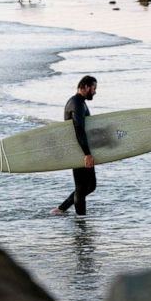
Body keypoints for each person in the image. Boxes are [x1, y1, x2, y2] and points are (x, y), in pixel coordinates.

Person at [51, 75, 99, 216]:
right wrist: (87, 154)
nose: (95, 92)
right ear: (85, 87)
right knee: (82, 187)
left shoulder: (80, 102)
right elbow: (78, 129)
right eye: (93, 88)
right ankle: (80, 221)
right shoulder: (76, 103)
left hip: (82, 148)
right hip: (78, 149)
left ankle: (62, 209)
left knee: (90, 186)